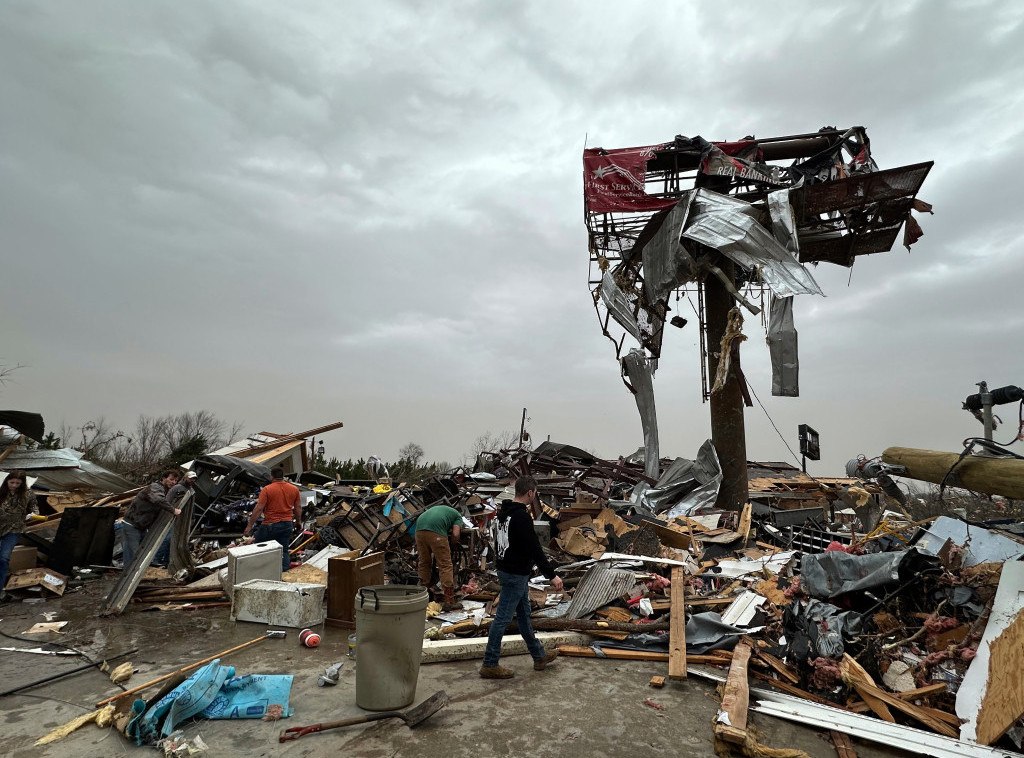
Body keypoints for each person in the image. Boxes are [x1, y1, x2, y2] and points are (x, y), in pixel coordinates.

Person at [480, 475, 564, 679]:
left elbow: (499, 543)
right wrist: (551, 575)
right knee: (502, 619)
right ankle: (489, 663)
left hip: (507, 570)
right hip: (515, 574)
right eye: (535, 493)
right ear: (530, 493)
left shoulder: (502, 514)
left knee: (524, 616)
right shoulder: (521, 517)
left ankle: (538, 656)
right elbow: (535, 548)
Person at [242, 467, 301, 572]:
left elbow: (259, 508)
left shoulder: (267, 489)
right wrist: (298, 522)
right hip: (287, 524)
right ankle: (284, 574)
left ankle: (255, 571)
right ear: (282, 477)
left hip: (270, 525)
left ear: (271, 477)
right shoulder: (294, 489)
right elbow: (298, 508)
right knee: (284, 550)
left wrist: (249, 526)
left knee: (257, 547)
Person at [121, 470, 181, 568]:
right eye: (171, 479)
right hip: (131, 525)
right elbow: (158, 499)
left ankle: (136, 577)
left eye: (175, 481)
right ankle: (127, 578)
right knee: (132, 554)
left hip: (141, 526)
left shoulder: (165, 491)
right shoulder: (155, 487)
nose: (173, 482)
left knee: (143, 553)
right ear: (164, 478)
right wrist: (173, 510)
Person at [414, 504, 463, 610]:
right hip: (436, 533)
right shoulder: (458, 516)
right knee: (445, 565)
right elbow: (455, 534)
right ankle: (449, 601)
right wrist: (452, 543)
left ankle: (421, 597)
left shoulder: (440, 509)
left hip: (419, 531)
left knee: (424, 563)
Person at [0, 470, 39, 598]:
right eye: (12, 482)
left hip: (14, 528)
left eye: (18, 483)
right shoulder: (1, 490)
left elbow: (34, 508)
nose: (14, 485)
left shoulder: (27, 494)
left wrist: (32, 514)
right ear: (6, 481)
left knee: (4, 558)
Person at [154, 470, 198, 567]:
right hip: (173, 517)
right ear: (185, 478)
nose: (192, 480)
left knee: (175, 540)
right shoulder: (177, 488)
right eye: (190, 478)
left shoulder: (191, 490)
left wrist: (192, 517)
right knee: (168, 538)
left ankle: (166, 561)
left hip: (184, 518)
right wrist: (168, 514)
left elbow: (192, 506)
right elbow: (167, 501)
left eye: (194, 479)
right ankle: (156, 559)